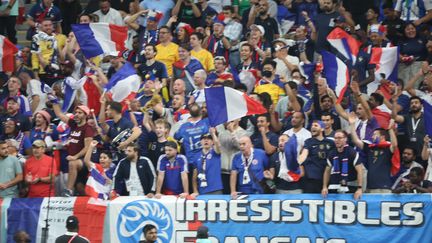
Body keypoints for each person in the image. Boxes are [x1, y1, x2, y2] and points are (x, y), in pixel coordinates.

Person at [322, 130, 363, 200]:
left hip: (351, 185)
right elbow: (327, 171)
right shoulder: (332, 153)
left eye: (339, 138)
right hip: (336, 185)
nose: (337, 140)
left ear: (345, 139)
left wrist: (359, 188)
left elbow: (360, 171)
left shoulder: (352, 152)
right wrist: (325, 187)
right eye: (335, 138)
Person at [298, 120, 335, 193]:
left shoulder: (330, 142)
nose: (312, 127)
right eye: (312, 126)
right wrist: (298, 162)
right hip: (311, 179)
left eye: (316, 125)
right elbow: (304, 154)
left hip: (327, 178)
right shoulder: (308, 142)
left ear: (322, 129)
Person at [192, 129, 223, 196]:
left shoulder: (215, 153)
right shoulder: (196, 156)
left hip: (215, 189)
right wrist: (195, 190)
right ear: (200, 142)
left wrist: (213, 134)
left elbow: (218, 146)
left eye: (209, 139)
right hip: (202, 190)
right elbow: (194, 176)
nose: (206, 140)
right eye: (203, 139)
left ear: (212, 142)